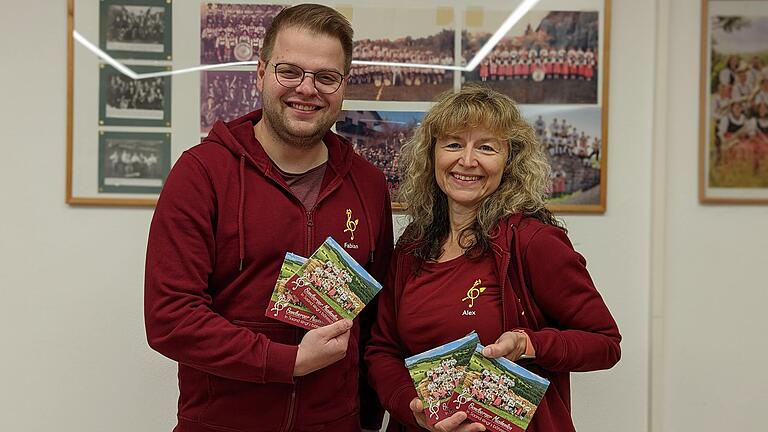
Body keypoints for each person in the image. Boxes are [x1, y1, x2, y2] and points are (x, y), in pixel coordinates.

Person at [144, 4, 393, 432]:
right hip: (223, 423)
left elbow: (375, 320)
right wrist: (288, 361)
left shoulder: (367, 183)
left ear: (343, 87)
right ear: (260, 73)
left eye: (326, 77)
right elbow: (171, 318)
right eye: (290, 71)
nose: (307, 89)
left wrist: (369, 419)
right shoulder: (202, 173)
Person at [365, 85, 621, 432]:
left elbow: (604, 343)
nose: (467, 161)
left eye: (486, 147)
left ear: (509, 160)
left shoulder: (534, 242)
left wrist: (530, 343)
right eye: (453, 143)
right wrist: (413, 408)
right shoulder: (413, 245)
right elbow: (383, 350)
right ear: (433, 154)